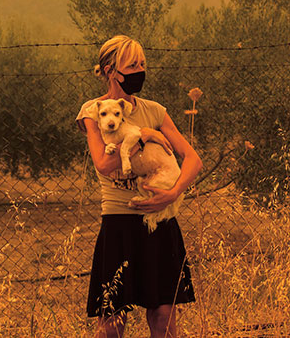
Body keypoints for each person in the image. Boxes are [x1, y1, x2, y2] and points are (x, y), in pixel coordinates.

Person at [76, 35, 200, 338]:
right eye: (131, 65)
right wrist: (143, 136)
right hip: (119, 223)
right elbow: (104, 165)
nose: (139, 70)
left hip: (161, 222)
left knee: (164, 318)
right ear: (109, 70)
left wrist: (171, 194)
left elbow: (193, 160)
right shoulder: (94, 111)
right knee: (112, 324)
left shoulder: (155, 110)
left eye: (142, 64)